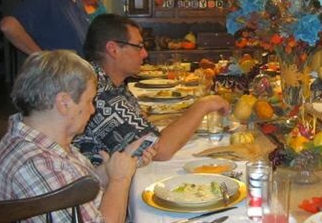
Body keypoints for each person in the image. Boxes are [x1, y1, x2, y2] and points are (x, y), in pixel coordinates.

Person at [0, 50, 156, 223]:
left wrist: (108, 171)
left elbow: (69, 191)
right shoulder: (33, 163)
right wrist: (119, 180)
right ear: (64, 103)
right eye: (89, 101)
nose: (92, 110)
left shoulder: (40, 139)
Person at [73, 13, 230, 163]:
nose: (145, 54)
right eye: (139, 47)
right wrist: (204, 105)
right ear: (113, 49)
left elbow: (142, 121)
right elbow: (158, 150)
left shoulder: (107, 80)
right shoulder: (100, 92)